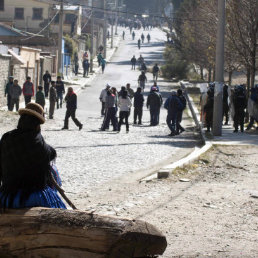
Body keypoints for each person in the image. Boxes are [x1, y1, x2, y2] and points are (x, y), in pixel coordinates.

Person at [0, 102, 66, 209]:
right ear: (36, 125)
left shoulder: (6, 138)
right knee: (53, 170)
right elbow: (51, 154)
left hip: (8, 196)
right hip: (34, 197)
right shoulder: (41, 145)